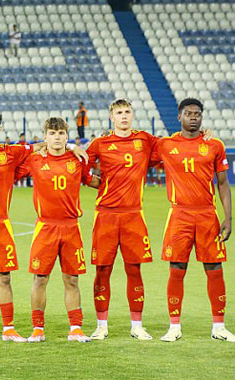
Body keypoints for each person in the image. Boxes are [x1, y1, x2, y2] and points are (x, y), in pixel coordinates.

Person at [0, 112, 88, 343]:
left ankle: (9, 329)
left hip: (1, 224)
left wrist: (69, 145)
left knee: (5, 277)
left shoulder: (12, 153)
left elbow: (42, 145)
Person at [152, 98, 234, 342]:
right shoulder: (165, 144)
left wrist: (228, 218)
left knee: (215, 269)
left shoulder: (214, 145)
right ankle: (174, 327)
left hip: (208, 215)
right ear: (179, 117)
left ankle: (219, 327)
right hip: (179, 214)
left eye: (197, 113)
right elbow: (136, 147)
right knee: (177, 268)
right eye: (188, 113)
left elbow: (222, 183)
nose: (194, 117)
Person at [83, 99, 159, 340]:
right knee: (102, 270)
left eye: (127, 112)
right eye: (119, 113)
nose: (124, 116)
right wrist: (98, 183)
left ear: (132, 115)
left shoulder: (145, 140)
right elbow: (82, 166)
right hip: (105, 214)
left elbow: (173, 146)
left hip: (133, 215)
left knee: (134, 269)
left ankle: (137, 325)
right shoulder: (101, 142)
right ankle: (101, 325)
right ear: (111, 118)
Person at [15, 117, 97, 343]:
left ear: (67, 136)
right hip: (45, 228)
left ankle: (76, 328)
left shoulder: (77, 160)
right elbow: (11, 168)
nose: (57, 137)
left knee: (72, 280)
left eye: (61, 133)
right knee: (40, 279)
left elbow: (93, 182)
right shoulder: (35, 160)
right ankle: (38, 329)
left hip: (71, 227)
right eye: (52, 133)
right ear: (45, 137)